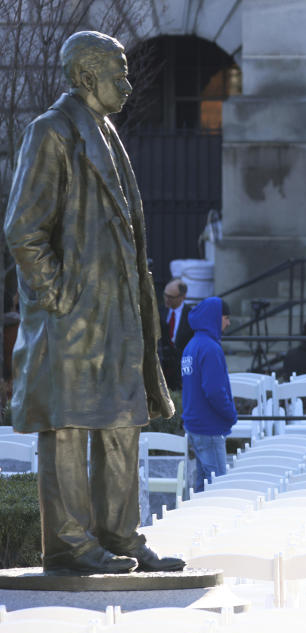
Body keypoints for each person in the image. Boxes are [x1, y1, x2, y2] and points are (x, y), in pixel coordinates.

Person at [4, 30, 183, 575]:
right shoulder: (52, 131)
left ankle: (121, 537)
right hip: (72, 320)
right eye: (119, 73)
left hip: (118, 318)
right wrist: (59, 299)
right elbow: (23, 230)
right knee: (68, 431)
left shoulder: (106, 132)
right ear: (86, 77)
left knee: (122, 426)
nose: (128, 85)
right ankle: (71, 546)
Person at [181, 297, 237, 493]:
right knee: (219, 489)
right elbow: (214, 390)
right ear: (215, 317)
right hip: (210, 426)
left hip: (195, 425)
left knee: (203, 486)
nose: (228, 323)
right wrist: (231, 414)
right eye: (226, 317)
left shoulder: (192, 346)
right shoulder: (211, 348)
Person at [158, 278, 194, 390]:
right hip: (162, 366)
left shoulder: (191, 316)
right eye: (165, 295)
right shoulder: (159, 312)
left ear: (183, 297)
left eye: (171, 297)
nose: (167, 299)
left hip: (180, 367)